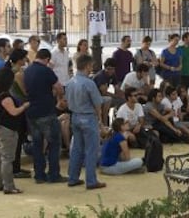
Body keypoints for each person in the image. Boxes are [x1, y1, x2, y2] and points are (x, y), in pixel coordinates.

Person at [24, 49, 67, 184]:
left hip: (32, 112)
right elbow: (59, 88)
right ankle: (54, 174)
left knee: (37, 144)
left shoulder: (28, 71)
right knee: (54, 143)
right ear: (47, 59)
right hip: (46, 111)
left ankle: (39, 175)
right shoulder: (47, 71)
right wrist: (57, 95)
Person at [65, 54, 106, 189]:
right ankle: (91, 180)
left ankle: (73, 177)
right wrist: (100, 119)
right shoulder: (89, 82)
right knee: (91, 150)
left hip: (75, 116)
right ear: (88, 65)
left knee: (77, 148)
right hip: (88, 117)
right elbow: (97, 103)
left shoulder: (70, 82)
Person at [0, 67, 30, 194]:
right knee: (7, 158)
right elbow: (14, 112)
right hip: (8, 130)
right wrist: (24, 106)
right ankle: (9, 185)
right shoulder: (6, 97)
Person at [4, 49, 32, 179]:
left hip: (15, 105)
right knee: (19, 138)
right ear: (20, 59)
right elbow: (25, 91)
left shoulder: (11, 72)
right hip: (20, 105)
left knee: (18, 138)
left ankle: (16, 167)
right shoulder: (18, 74)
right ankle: (15, 169)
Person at [93, 58, 124, 126]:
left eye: (112, 69)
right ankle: (104, 123)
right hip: (96, 97)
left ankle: (118, 121)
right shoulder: (101, 76)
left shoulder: (113, 75)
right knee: (108, 100)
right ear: (105, 68)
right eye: (109, 69)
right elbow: (104, 93)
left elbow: (117, 88)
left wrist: (122, 94)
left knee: (123, 101)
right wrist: (116, 96)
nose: (110, 71)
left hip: (104, 97)